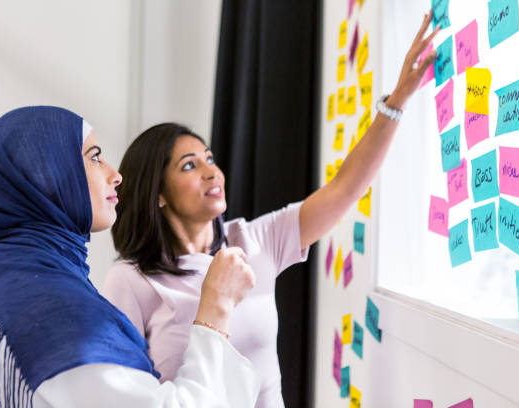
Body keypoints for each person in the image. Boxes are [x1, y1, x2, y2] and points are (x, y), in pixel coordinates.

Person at [103, 11, 440, 408]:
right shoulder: (131, 281)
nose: (212, 171)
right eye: (190, 165)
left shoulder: (257, 240)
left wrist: (397, 100)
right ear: (156, 193)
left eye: (210, 158)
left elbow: (346, 188)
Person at [0, 106, 261, 408]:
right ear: (50, 176)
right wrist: (215, 308)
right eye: (94, 158)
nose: (116, 174)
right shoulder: (61, 315)